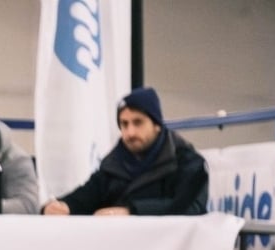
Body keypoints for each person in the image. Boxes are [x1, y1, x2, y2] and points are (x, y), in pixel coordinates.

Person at [41, 86, 208, 216]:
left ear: (157, 124)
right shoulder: (113, 165)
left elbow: (192, 207)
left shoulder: (187, 162)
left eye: (138, 122)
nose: (130, 132)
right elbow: (86, 196)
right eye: (124, 124)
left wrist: (131, 211)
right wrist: (63, 206)